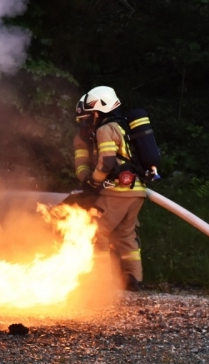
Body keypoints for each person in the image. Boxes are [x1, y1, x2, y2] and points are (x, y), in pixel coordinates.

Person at [73, 86, 146, 291]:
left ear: (98, 111)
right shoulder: (122, 127)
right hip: (136, 191)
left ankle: (101, 280)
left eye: (89, 116)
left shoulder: (105, 129)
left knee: (96, 231)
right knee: (125, 234)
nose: (86, 121)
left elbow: (106, 163)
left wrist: (93, 182)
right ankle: (134, 279)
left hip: (117, 191)